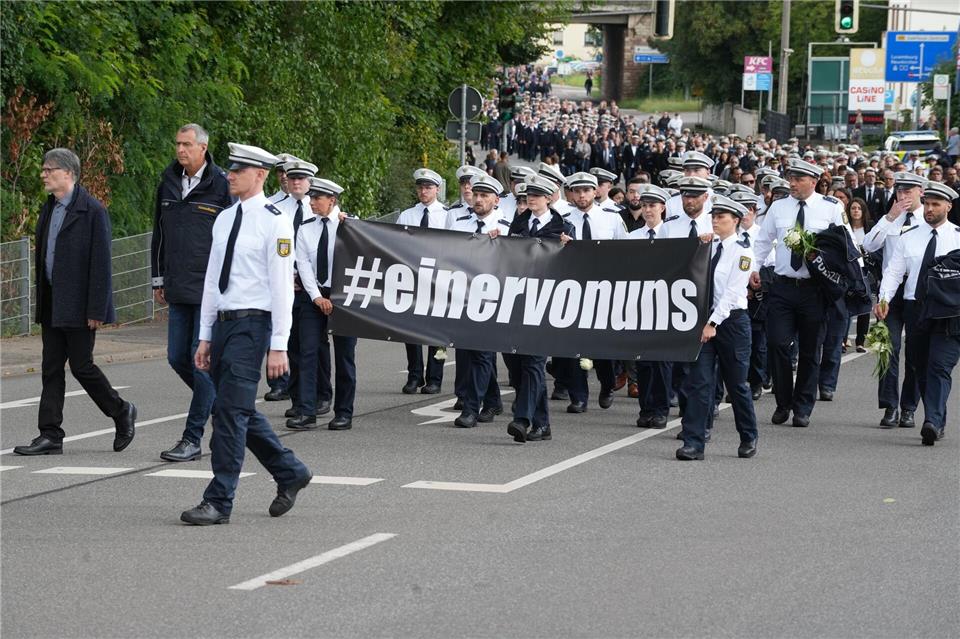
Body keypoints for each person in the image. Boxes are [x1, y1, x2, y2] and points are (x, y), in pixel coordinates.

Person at [181, 142, 311, 526]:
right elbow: (211, 282)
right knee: (233, 409)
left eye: (238, 170)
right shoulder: (224, 219)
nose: (229, 175)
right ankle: (290, 471)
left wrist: (279, 345)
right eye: (230, 169)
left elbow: (282, 287)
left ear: (260, 175)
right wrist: (204, 335)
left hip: (254, 324)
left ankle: (219, 499)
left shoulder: (275, 221)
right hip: (223, 323)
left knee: (228, 415)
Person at [14, 148, 138, 456]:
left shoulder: (92, 210)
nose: (43, 174)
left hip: (81, 305)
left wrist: (97, 308)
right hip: (53, 301)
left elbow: (101, 263)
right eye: (43, 169)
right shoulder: (50, 207)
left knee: (82, 366)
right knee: (51, 367)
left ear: (68, 173)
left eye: (49, 169)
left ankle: (121, 411)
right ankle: (50, 434)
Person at [151, 123, 232, 462]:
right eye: (177, 144)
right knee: (176, 358)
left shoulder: (221, 185)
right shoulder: (168, 181)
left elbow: (233, 241)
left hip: (209, 290)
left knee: (201, 365)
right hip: (177, 286)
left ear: (203, 148)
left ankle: (192, 438)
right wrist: (158, 279)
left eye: (187, 144)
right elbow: (158, 233)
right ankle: (219, 404)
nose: (180, 150)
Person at [750, 158, 847, 428]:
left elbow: (843, 247)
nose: (791, 183)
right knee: (778, 344)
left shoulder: (831, 208)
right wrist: (755, 268)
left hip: (814, 290)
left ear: (813, 182)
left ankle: (803, 406)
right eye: (790, 178)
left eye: (798, 179)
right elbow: (762, 240)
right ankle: (783, 401)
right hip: (782, 286)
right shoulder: (779, 207)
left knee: (809, 351)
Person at [875, 181, 960, 446]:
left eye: (937, 204)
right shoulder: (909, 236)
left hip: (950, 314)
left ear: (949, 206)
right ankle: (938, 418)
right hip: (916, 309)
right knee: (920, 366)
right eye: (929, 204)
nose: (931, 209)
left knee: (939, 366)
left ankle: (931, 421)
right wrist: (885, 297)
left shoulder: (958, 236)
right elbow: (893, 271)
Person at [676, 195, 758, 460]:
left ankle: (748, 435)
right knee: (699, 383)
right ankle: (694, 443)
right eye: (714, 216)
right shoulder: (708, 246)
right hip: (706, 321)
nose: (716, 221)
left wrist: (713, 322)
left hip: (731, 323)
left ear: (735, 220)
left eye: (721, 217)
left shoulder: (743, 252)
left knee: (737, 385)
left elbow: (733, 293)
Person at [503, 174, 574, 443]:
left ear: (548, 198)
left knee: (533, 361)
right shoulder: (519, 223)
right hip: (519, 300)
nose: (530, 199)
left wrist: (570, 248)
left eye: (535, 195)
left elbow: (574, 265)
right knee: (517, 362)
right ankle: (542, 425)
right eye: (526, 196)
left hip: (546, 302)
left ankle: (522, 418)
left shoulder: (563, 228)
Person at [557, 172, 628, 414]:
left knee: (601, 344)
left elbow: (625, 250)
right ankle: (579, 396)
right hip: (573, 288)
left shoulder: (612, 218)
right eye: (577, 191)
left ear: (595, 192)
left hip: (603, 288)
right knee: (574, 343)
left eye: (586, 191)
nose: (581, 195)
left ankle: (608, 383)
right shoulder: (563, 219)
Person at [289, 177, 357, 431]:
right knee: (308, 351)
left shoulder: (350, 225)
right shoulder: (306, 228)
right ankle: (307, 410)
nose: (312, 203)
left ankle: (344, 412)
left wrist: (334, 297)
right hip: (313, 294)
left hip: (344, 296)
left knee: (344, 355)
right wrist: (316, 296)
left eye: (317, 198)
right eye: (311, 198)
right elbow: (303, 264)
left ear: (332, 200)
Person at [861, 172, 927, 428]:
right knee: (887, 349)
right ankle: (890, 406)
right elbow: (869, 244)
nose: (903, 196)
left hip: (918, 290)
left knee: (915, 352)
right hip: (891, 289)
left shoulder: (927, 218)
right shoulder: (891, 219)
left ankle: (909, 407)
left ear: (920, 191)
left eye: (908, 191)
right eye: (900, 191)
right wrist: (889, 217)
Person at [448, 174, 511, 428]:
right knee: (472, 352)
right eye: (476, 195)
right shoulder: (460, 224)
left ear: (496, 200)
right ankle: (493, 399)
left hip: (492, 298)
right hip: (464, 296)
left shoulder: (505, 227)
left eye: (485, 196)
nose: (479, 200)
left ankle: (471, 409)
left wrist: (502, 244)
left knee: (483, 354)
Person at [265, 158, 318, 405]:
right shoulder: (275, 207)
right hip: (284, 282)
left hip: (313, 286)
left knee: (311, 345)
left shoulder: (317, 206)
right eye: (289, 177)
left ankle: (315, 395)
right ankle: (286, 388)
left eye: (299, 178)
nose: (293, 181)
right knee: (286, 337)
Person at [624, 184, 673, 426]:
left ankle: (661, 407)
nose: (648, 210)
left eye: (652, 206)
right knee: (642, 359)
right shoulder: (633, 237)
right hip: (640, 305)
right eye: (644, 206)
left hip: (665, 304)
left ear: (662, 207)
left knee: (661, 360)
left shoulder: (673, 235)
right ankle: (645, 407)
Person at [397, 168, 447, 394]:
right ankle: (414, 375)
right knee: (410, 330)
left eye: (428, 187)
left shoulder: (447, 215)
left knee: (437, 332)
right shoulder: (407, 215)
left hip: (438, 279)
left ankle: (435, 377)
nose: (424, 191)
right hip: (412, 278)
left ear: (437, 189)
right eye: (421, 187)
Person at [847, 197, 873, 353]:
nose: (856, 211)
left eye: (859, 208)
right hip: (848, 270)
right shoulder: (845, 227)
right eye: (853, 208)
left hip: (865, 271)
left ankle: (860, 341)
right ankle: (843, 339)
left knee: (864, 305)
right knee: (847, 304)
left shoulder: (869, 227)